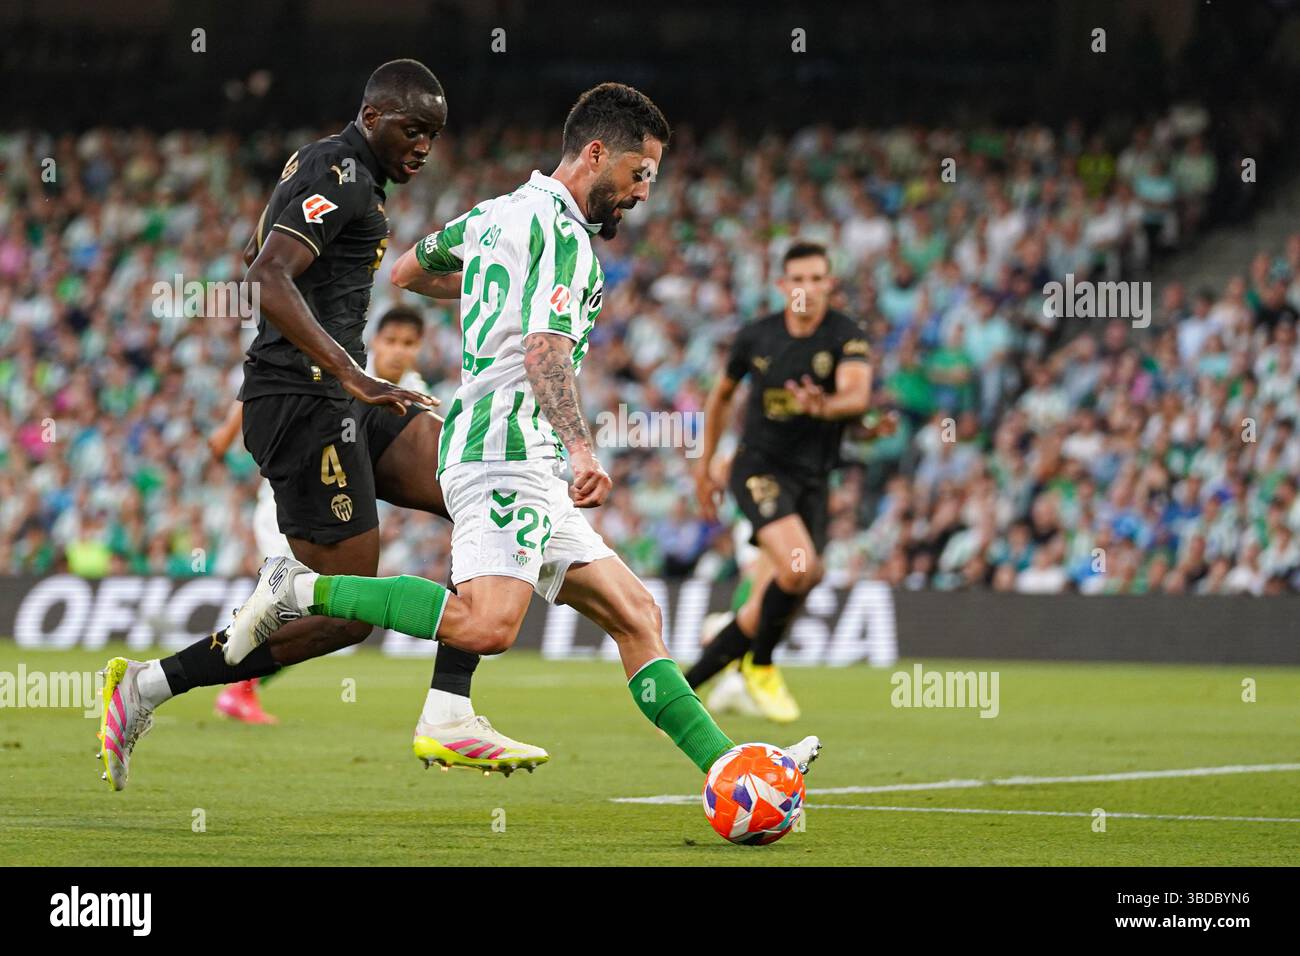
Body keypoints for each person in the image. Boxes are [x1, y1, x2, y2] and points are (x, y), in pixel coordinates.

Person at [221, 82, 820, 779]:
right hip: (504, 450)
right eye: (638, 175)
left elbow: (411, 271)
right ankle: (297, 591)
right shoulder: (566, 237)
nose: (642, 194)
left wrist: (493, 287)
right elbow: (544, 350)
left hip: (509, 449)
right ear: (596, 154)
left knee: (636, 613)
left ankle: (731, 769)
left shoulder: (499, 212)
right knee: (486, 625)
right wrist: (583, 448)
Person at [97, 60, 546, 792]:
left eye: (433, 134)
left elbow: (259, 253)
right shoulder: (341, 170)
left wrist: (355, 381)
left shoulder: (334, 169)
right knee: (344, 617)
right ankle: (148, 685)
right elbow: (265, 276)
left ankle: (450, 708)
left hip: (337, 399)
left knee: (477, 482)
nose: (425, 146)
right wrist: (351, 372)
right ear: (372, 116)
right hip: (303, 405)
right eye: (413, 129)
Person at [202, 306, 435, 725]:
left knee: (321, 609)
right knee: (311, 606)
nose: (398, 352)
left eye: (409, 344)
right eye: (392, 341)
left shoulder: (414, 393)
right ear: (376, 341)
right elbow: (270, 384)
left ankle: (231, 677)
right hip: (288, 503)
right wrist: (225, 430)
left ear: (419, 349)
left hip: (339, 515)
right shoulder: (347, 366)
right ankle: (231, 678)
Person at [687, 241, 874, 722]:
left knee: (791, 585)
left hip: (813, 479)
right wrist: (705, 465)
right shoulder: (757, 338)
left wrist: (825, 406)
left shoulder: (846, 336)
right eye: (798, 280)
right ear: (782, 286)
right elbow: (721, 397)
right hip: (759, 468)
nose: (807, 289)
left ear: (830, 284)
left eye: (817, 279)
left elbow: (856, 395)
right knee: (796, 569)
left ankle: (681, 693)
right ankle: (763, 666)